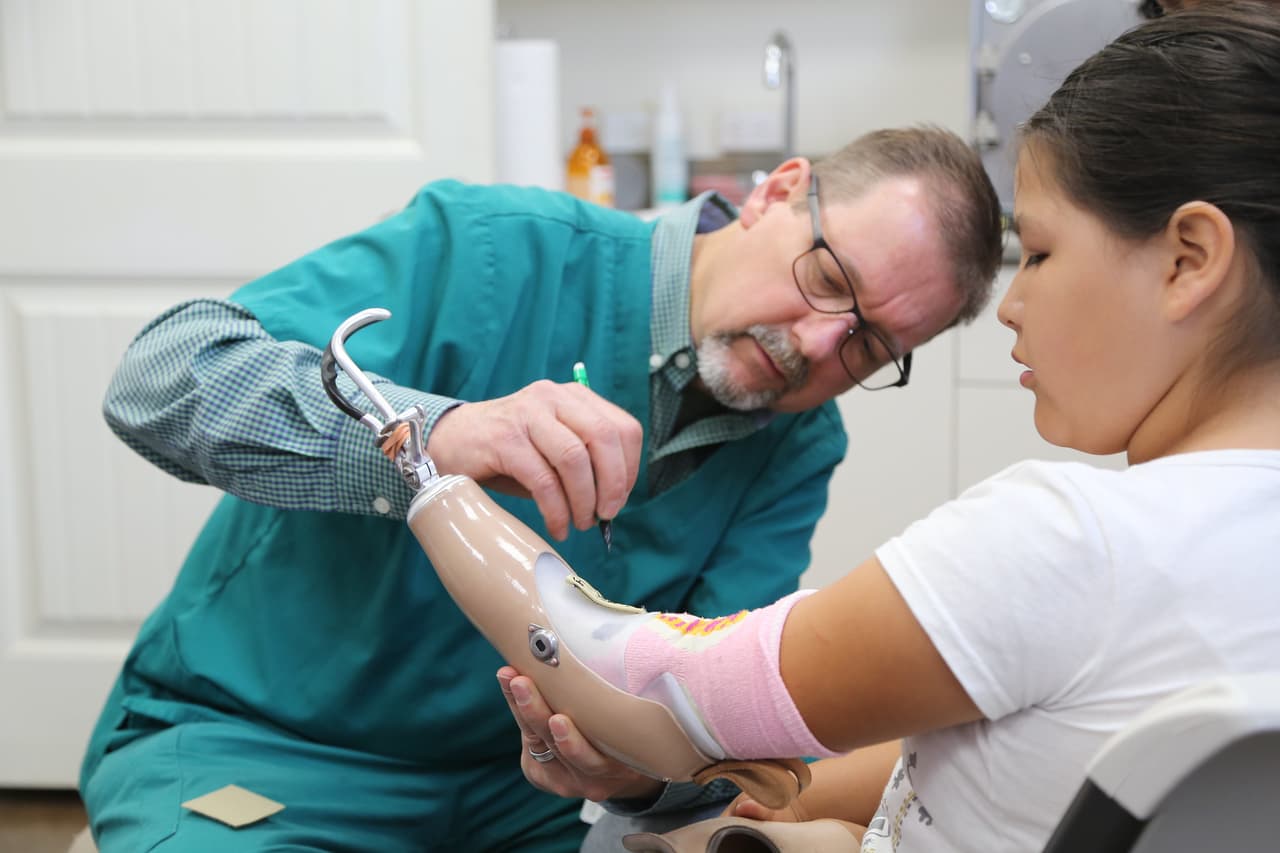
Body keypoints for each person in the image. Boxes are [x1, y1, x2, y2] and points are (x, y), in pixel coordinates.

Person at [79, 125, 1003, 851]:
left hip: (521, 798)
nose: (813, 344)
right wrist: (438, 431)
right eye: (827, 279)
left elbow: (715, 727)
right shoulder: (490, 248)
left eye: (870, 347)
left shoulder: (798, 445)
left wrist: (632, 774)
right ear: (778, 190)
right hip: (272, 742)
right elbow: (161, 377)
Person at [502, 5, 1280, 851]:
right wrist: (799, 812)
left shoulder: (1066, 542)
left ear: (1190, 259)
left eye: (1044, 253)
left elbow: (648, 676)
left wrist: (440, 474)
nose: (1013, 308)